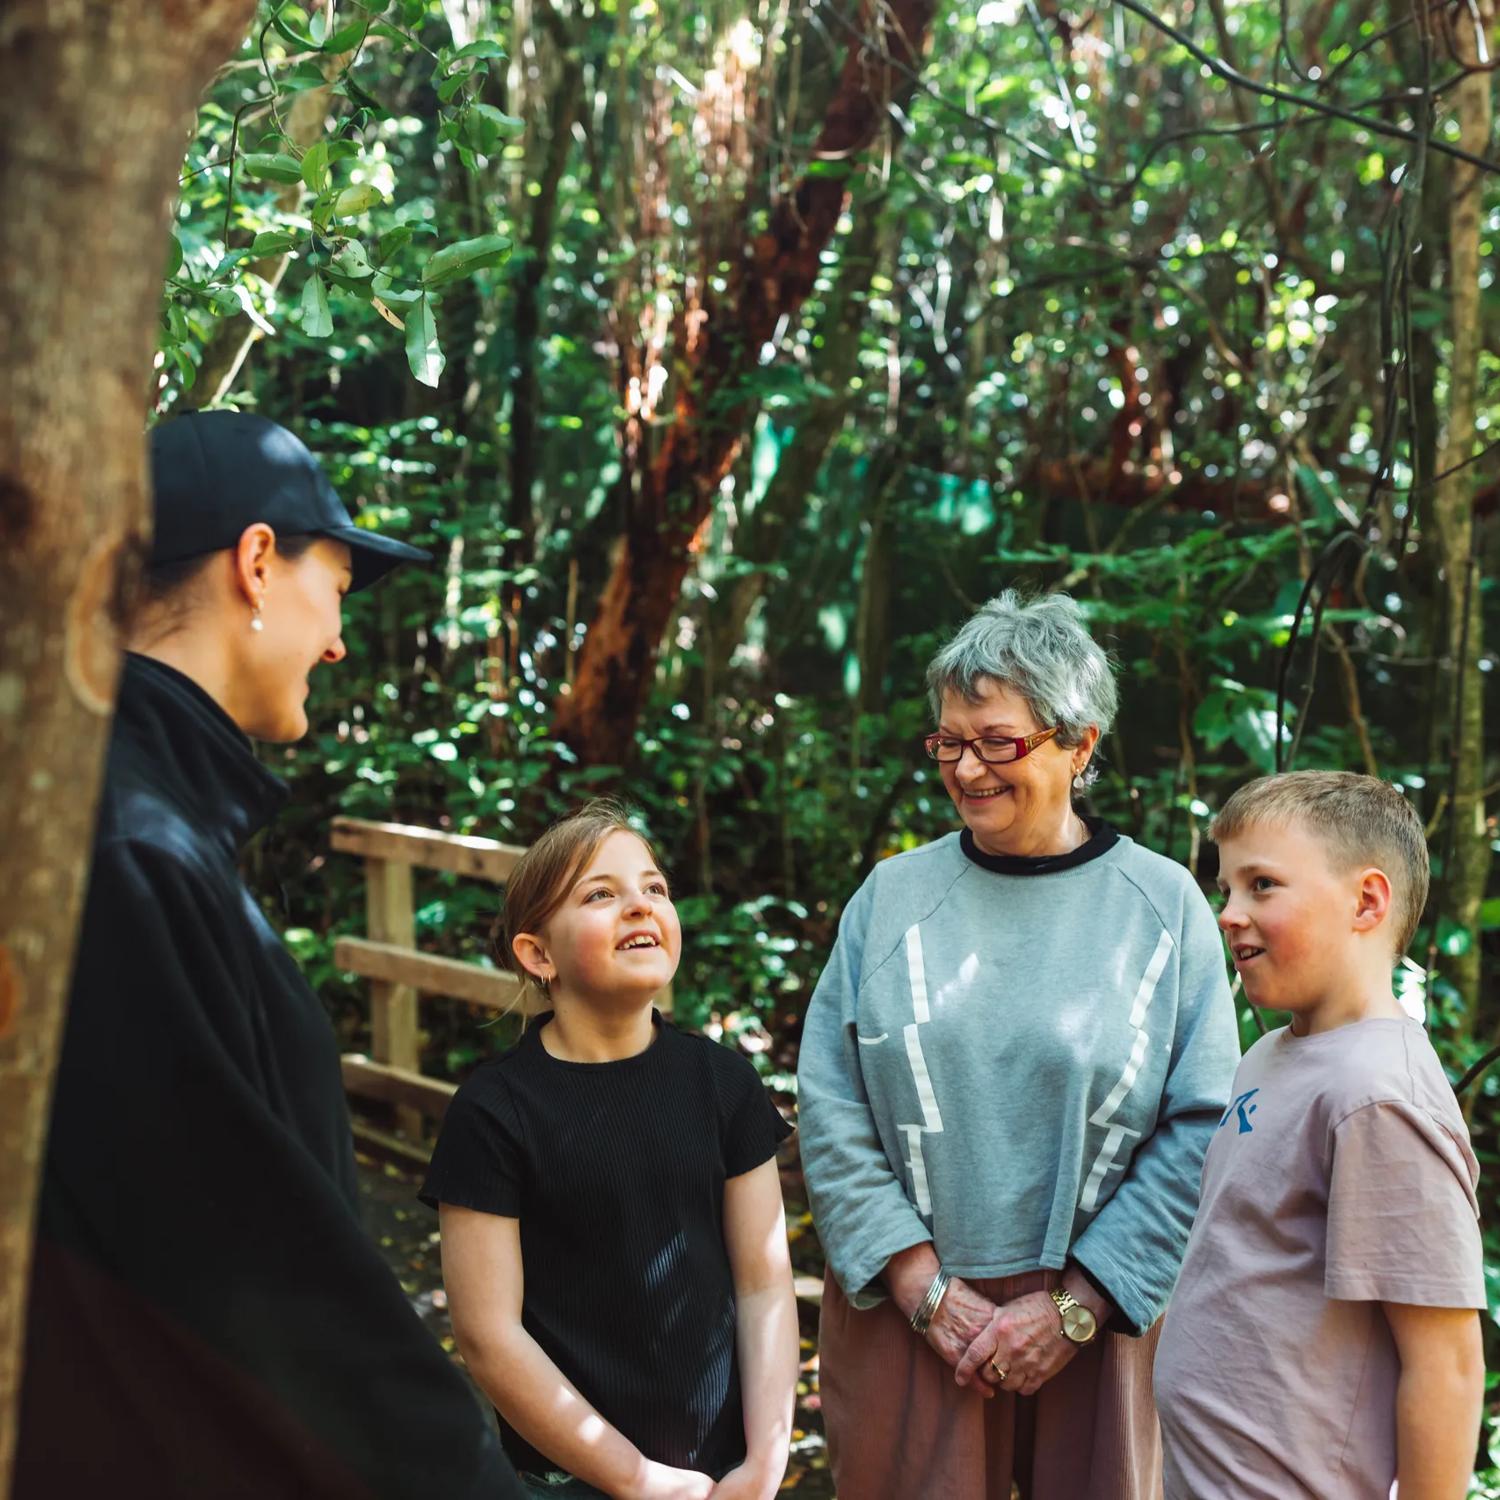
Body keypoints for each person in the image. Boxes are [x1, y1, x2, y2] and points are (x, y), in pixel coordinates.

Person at [17, 410, 524, 1500]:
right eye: (337, 582)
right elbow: (247, 1270)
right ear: (257, 563)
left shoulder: (134, 818)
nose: (340, 639)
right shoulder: (128, 848)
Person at [797, 589, 1241, 1500]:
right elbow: (830, 1101)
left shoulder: (1163, 909)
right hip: (909, 1308)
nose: (967, 768)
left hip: (1102, 1317)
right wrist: (924, 1290)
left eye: (998, 741)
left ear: (1079, 746)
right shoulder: (889, 899)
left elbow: (1203, 1122)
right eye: (949, 742)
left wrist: (1075, 1307)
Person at [421, 801, 798, 1500]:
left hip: (726, 1478)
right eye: (601, 894)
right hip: (568, 1481)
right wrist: (637, 1480)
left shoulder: (724, 1085)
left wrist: (765, 1460)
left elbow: (763, 1282)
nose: (639, 906)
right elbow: (488, 1336)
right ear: (537, 954)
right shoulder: (494, 1112)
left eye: (654, 888)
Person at [1155, 771, 1486, 1500]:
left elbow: (1448, 1363)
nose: (1229, 913)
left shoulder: (1376, 1094)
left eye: (1262, 885)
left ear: (1367, 902)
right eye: (1226, 890)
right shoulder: (1268, 1056)